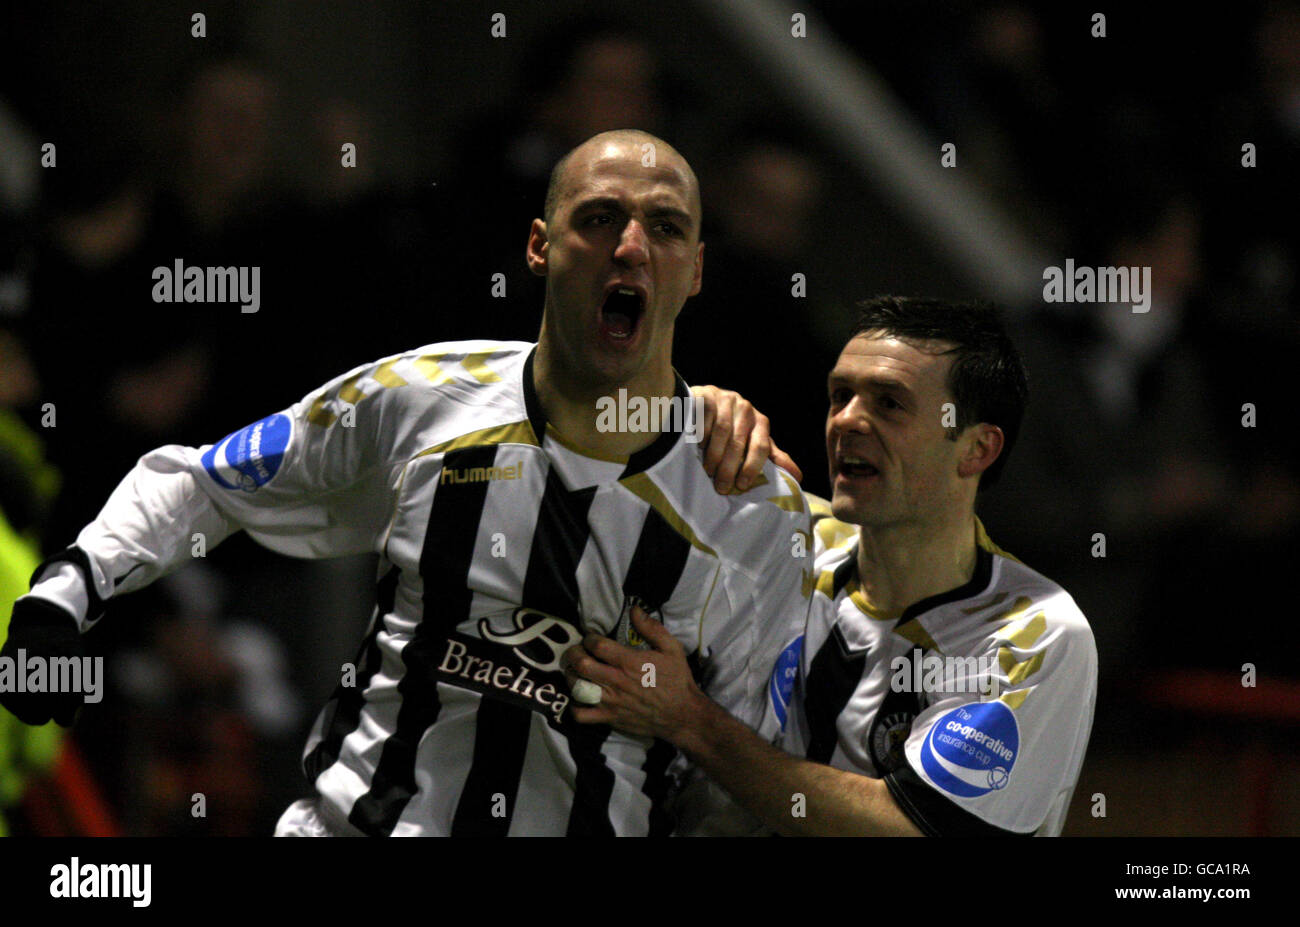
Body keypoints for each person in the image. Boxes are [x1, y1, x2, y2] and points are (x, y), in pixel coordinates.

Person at [0, 129, 813, 836]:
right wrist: (65, 592)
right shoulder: (423, 398)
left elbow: (748, 786)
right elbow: (209, 481)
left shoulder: (751, 505)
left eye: (664, 228)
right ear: (538, 245)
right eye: (598, 218)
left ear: (696, 269)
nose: (630, 247)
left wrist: (691, 722)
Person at [565, 296, 1098, 836]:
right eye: (840, 395)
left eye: (889, 403)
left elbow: (910, 830)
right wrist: (692, 410)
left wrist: (688, 719)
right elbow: (609, 455)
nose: (845, 420)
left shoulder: (1035, 634)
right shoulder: (781, 537)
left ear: (977, 449)